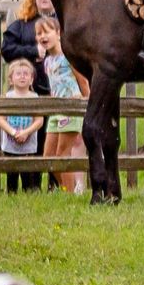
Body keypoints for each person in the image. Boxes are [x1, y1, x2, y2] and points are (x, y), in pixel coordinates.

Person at [1, 0, 55, 172]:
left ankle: (55, 184)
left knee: (54, 139)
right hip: (27, 93)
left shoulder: (64, 22)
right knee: (31, 142)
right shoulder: (22, 25)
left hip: (56, 91)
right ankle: (31, 184)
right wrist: (32, 51)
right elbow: (7, 49)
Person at [36, 16, 88, 193]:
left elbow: (82, 81)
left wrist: (87, 104)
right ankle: (68, 189)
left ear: (58, 33)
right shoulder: (48, 61)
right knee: (48, 157)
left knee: (62, 154)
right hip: (56, 110)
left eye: (47, 31)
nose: (43, 36)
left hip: (71, 108)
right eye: (39, 33)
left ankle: (71, 195)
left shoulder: (68, 57)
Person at [0, 59, 42, 193]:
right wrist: (13, 132)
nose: (22, 76)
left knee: (28, 178)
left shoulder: (35, 97)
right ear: (11, 79)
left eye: (26, 74)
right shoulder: (7, 97)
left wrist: (26, 132)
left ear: (31, 79)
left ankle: (28, 195)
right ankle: (11, 195)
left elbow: (39, 120)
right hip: (10, 144)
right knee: (11, 177)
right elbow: (0, 119)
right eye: (18, 74)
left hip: (29, 144)